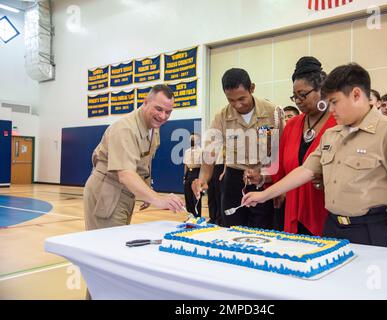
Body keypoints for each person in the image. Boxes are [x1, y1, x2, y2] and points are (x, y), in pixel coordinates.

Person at [243, 63, 387, 249]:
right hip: (331, 227)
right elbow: (305, 170)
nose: (330, 110)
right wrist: (264, 194)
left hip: (370, 229)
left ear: (356, 95)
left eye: (334, 102)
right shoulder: (332, 134)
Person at [245, 56, 336, 235]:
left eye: (303, 95)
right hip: (294, 209)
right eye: (295, 97)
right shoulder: (293, 125)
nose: (298, 101)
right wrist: (262, 178)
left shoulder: (337, 122)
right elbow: (282, 169)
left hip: (324, 210)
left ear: (323, 90)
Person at [192, 68, 285, 229]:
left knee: (262, 231)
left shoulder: (273, 113)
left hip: (264, 179)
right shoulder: (221, 116)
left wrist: (278, 185)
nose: (237, 105)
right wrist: (203, 179)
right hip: (233, 180)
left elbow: (282, 152)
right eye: (231, 100)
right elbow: (210, 153)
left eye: (242, 98)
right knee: (231, 229)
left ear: (252, 88)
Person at [84, 84, 185, 231]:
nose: (163, 116)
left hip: (126, 193)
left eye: (168, 112)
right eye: (158, 109)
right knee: (107, 245)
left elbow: (144, 162)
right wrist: (157, 199)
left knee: (118, 243)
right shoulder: (125, 129)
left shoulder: (153, 127)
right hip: (107, 193)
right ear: (145, 102)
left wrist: (146, 190)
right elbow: (125, 174)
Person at [183, 133, 203, 217]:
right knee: (188, 196)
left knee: (196, 197)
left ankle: (197, 217)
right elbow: (185, 165)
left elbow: (202, 166)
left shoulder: (201, 151)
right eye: (191, 139)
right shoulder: (187, 151)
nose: (192, 140)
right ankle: (190, 215)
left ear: (198, 140)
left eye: (194, 139)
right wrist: (184, 176)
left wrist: (201, 179)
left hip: (197, 173)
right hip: (189, 174)